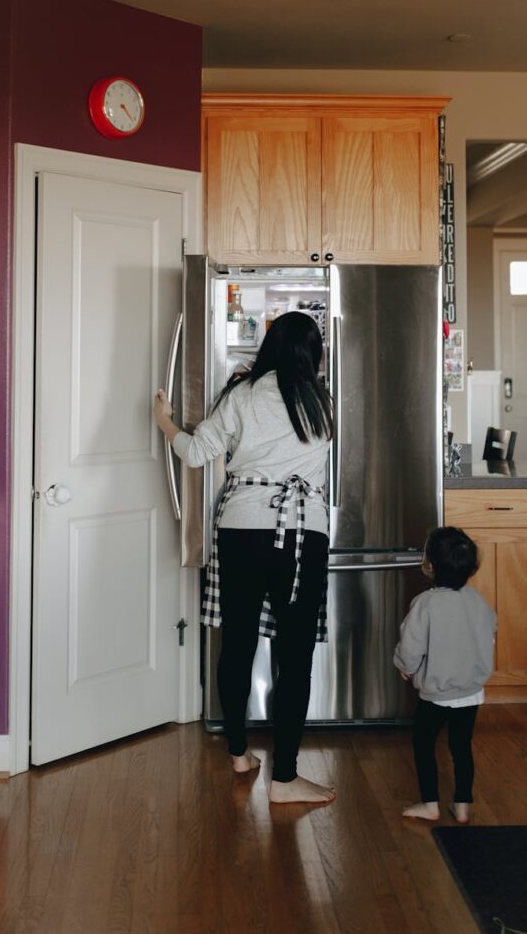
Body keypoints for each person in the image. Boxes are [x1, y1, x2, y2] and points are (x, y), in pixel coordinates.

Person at [153, 311, 335, 805]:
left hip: (241, 530)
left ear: (269, 348)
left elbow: (194, 453)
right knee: (294, 658)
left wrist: (165, 421)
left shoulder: (244, 394)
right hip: (302, 534)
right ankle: (286, 780)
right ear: (314, 354)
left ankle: (239, 753)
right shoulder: (323, 402)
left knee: (237, 645)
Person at [394, 526, 496, 823]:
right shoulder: (478, 601)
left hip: (436, 693)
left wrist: (405, 666)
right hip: (471, 691)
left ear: (430, 566)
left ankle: (430, 803)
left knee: (423, 744)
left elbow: (411, 646)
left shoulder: (425, 604)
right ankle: (463, 804)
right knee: (461, 747)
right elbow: (490, 633)